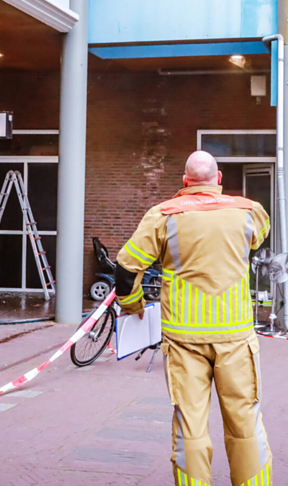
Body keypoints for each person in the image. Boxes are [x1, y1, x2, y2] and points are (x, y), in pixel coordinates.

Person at [115, 151, 272, 486]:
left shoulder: (162, 215)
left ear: (185, 181)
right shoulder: (249, 211)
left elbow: (127, 269)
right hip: (235, 337)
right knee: (245, 421)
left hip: (184, 339)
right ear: (218, 179)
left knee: (190, 425)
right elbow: (258, 239)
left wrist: (133, 306)